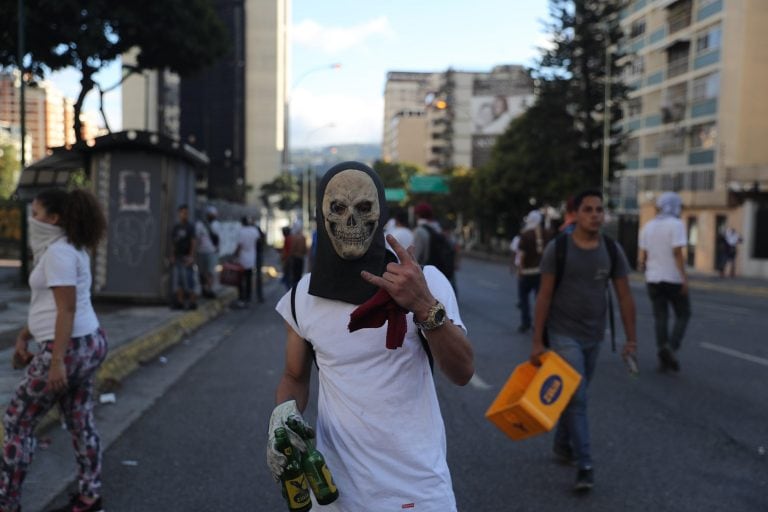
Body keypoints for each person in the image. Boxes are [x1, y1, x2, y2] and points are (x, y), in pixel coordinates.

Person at [266, 161, 474, 511]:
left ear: (380, 214)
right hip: (333, 495)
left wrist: (424, 306)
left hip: (416, 492)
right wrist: (282, 418)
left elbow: (463, 372)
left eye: (363, 209)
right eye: (338, 209)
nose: (350, 222)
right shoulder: (303, 298)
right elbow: (294, 376)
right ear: (322, 213)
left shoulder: (426, 283)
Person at [1, 188, 108, 512]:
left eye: (35, 214)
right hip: (87, 342)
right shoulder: (68, 247)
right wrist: (23, 336)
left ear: (54, 219)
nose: (32, 219)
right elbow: (47, 305)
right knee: (80, 420)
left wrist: (56, 361)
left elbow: (66, 309)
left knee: (18, 421)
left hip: (68, 347)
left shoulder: (59, 253)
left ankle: (7, 502)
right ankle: (90, 495)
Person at [530, 189, 637, 493]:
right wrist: (537, 341)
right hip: (563, 335)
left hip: (594, 336)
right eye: (588, 209)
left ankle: (563, 444)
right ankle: (585, 464)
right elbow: (545, 296)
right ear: (575, 214)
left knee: (574, 394)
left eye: (599, 210)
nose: (595, 215)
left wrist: (632, 340)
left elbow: (625, 296)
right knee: (577, 398)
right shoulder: (558, 248)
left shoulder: (612, 250)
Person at [638, 192, 690, 373]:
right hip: (672, 278)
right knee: (683, 314)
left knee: (660, 317)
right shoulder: (676, 225)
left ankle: (662, 352)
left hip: (653, 278)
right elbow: (677, 253)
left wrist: (647, 270)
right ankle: (671, 347)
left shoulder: (648, 226)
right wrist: (684, 278)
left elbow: (643, 257)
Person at [515, 210, 553, 333]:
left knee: (524, 299)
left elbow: (521, 255)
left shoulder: (526, 235)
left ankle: (525, 323)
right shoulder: (547, 233)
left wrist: (520, 270)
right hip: (542, 273)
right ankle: (541, 324)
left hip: (527, 273)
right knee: (541, 300)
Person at [170, 204, 198, 310]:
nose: (184, 215)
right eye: (182, 213)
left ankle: (192, 302)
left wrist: (191, 257)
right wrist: (172, 255)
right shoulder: (176, 227)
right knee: (179, 281)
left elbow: (193, 242)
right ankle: (180, 302)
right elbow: (174, 243)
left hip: (187, 257)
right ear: (179, 214)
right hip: (178, 257)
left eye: (186, 213)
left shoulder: (190, 227)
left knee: (189, 280)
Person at [233, 216, 260, 308]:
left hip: (242, 260)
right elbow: (258, 241)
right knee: (248, 279)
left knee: (240, 280)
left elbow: (239, 246)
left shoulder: (241, 231)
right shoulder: (254, 231)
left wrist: (234, 255)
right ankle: (248, 298)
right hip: (251, 259)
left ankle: (241, 298)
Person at [195, 205, 220, 299]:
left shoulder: (216, 225)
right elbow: (197, 239)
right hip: (201, 251)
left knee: (210, 272)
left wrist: (217, 250)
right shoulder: (200, 225)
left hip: (212, 252)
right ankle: (203, 288)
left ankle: (209, 289)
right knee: (201, 272)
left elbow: (218, 238)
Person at [287, 221, 307, 289]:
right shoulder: (303, 237)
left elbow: (292, 249)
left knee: (294, 277)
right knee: (299, 276)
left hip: (295, 259)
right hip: (301, 259)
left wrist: (290, 257)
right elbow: (305, 250)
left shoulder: (294, 238)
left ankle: (294, 292)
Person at [254, 225, 266, 303]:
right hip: (257, 257)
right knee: (258, 276)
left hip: (255, 257)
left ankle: (259, 296)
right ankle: (259, 296)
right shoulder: (259, 236)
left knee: (257, 276)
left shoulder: (258, 238)